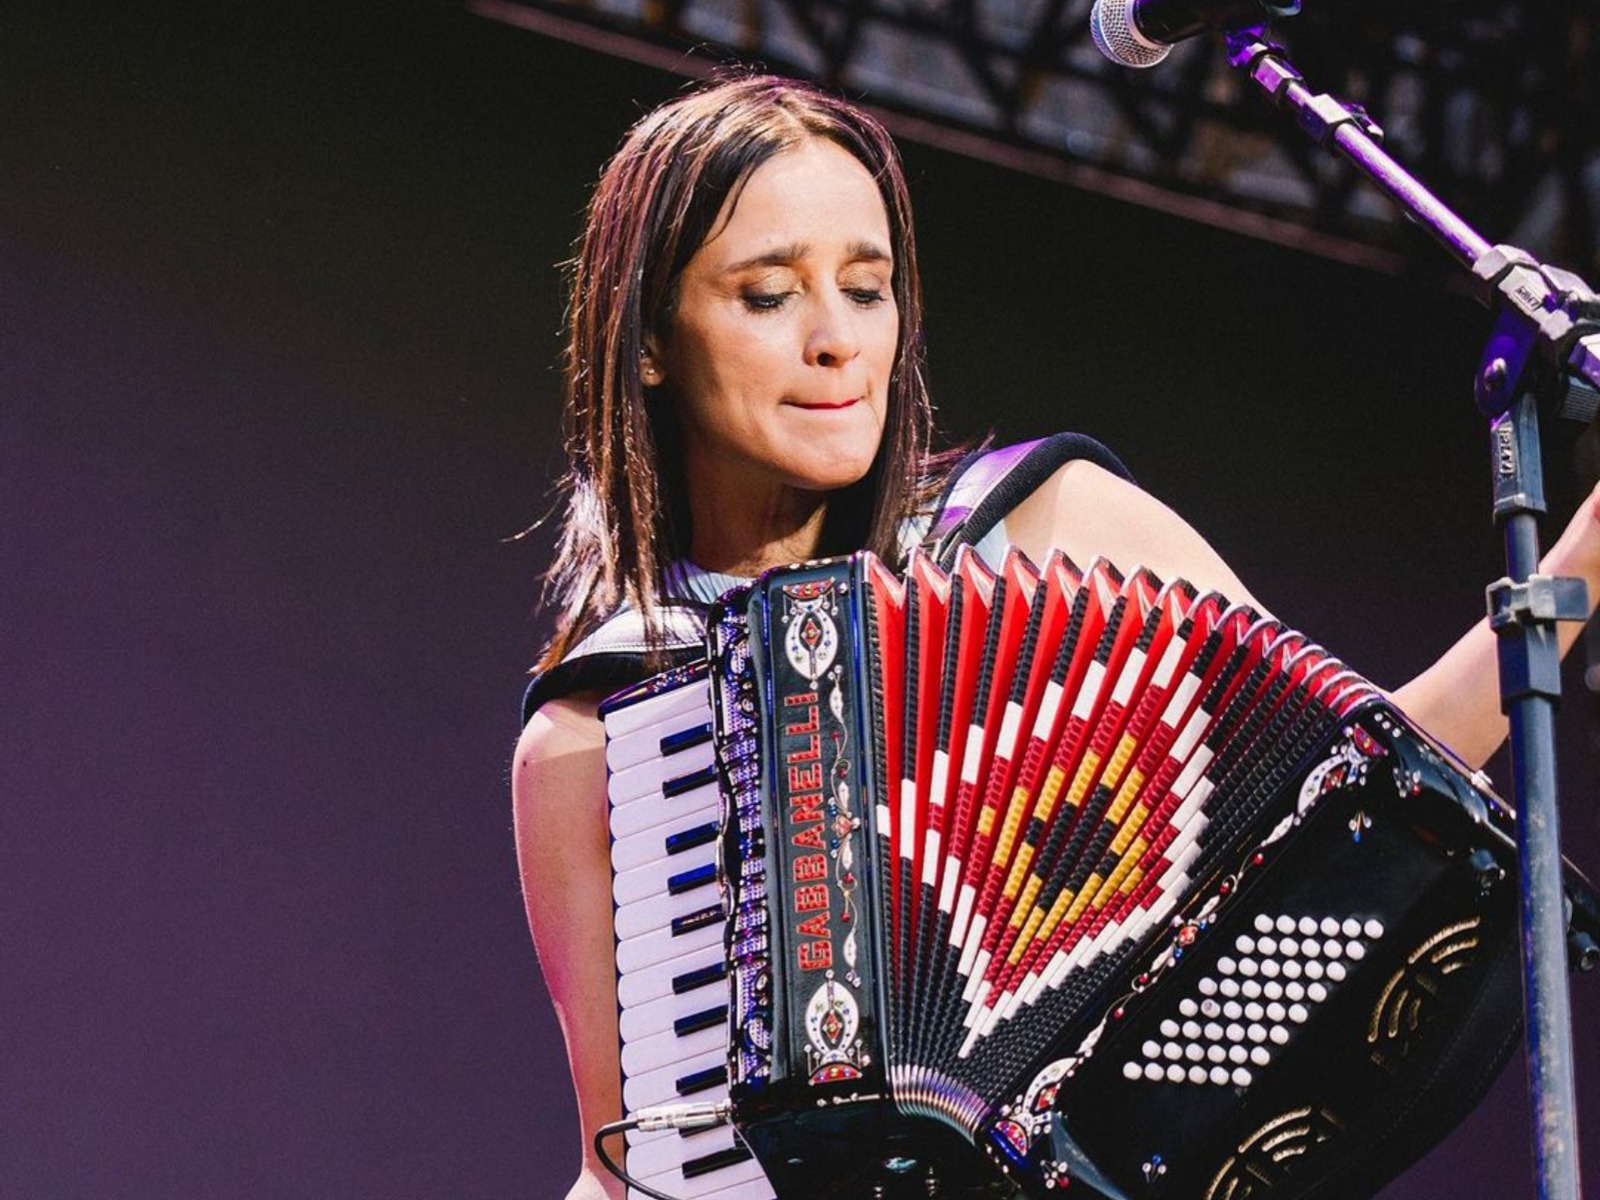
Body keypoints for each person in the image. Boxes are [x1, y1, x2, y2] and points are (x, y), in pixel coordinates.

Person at [511, 73, 1600, 1200]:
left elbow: (1369, 788)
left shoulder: (1047, 525)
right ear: (649, 340)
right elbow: (629, 1164)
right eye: (768, 296)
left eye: (868, 288)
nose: (837, 341)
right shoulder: (607, 732)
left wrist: (1580, 562)